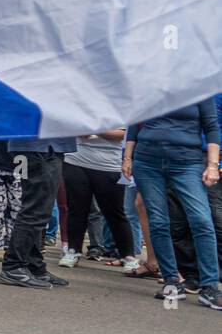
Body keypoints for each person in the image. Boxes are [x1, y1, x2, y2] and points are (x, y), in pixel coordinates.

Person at [125, 101, 221, 309]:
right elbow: (134, 124)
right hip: (147, 162)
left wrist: (213, 165)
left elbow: (212, 127)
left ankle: (210, 287)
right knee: (158, 221)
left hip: (188, 162)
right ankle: (172, 281)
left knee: (202, 220)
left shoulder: (199, 89)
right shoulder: (149, 87)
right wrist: (127, 157)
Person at [0, 137, 76, 289]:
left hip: (41, 146)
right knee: (36, 209)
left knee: (38, 209)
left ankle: (33, 265)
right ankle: (14, 266)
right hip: (37, 147)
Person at [59, 130, 138, 270]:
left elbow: (122, 133)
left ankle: (128, 255)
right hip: (76, 159)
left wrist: (95, 129)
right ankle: (73, 250)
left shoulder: (119, 107)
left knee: (115, 212)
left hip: (109, 164)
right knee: (76, 209)